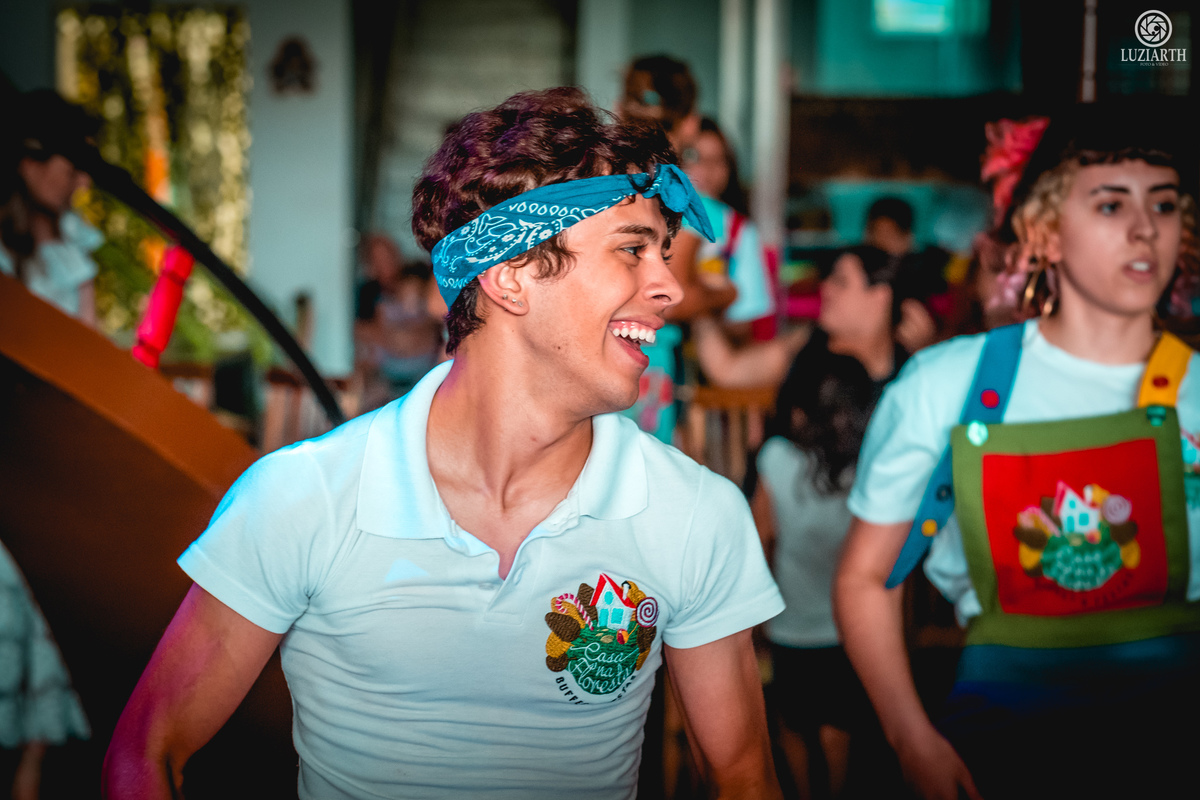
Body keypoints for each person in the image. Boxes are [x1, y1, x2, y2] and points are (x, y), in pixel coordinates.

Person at [102, 87, 786, 800]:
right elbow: (147, 750)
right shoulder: (304, 498)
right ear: (511, 275)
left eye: (664, 253)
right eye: (633, 250)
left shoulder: (694, 514)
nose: (670, 287)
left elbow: (743, 779)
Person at [835, 105, 1200, 800]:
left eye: (1163, 203)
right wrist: (911, 739)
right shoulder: (946, 385)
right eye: (1111, 204)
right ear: (1044, 232)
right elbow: (864, 578)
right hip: (998, 742)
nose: (1145, 228)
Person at [751, 246, 909, 798]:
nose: (826, 292)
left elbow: (759, 538)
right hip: (849, 627)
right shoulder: (871, 470)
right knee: (837, 723)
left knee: (793, 720)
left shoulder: (777, 458)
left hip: (792, 625)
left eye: (841, 281)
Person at [617, 55, 737, 442]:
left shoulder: (596, 180)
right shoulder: (680, 195)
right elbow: (671, 300)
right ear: (690, 123)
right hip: (645, 356)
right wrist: (723, 295)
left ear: (620, 109)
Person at [0, 90, 102, 324]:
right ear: (30, 165)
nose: (84, 184)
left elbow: (88, 333)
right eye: (74, 168)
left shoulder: (73, 242)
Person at [683, 117, 775, 343]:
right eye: (696, 158)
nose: (707, 169)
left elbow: (745, 323)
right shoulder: (655, 216)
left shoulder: (739, 231)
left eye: (718, 160)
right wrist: (723, 295)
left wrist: (704, 302)